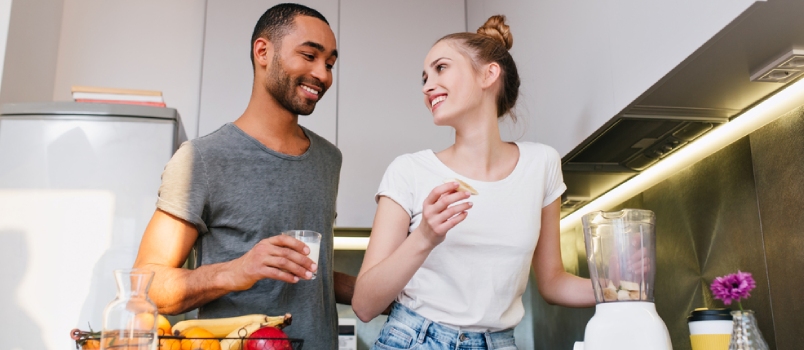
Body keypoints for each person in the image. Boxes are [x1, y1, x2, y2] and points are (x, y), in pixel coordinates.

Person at [351, 15, 597, 349]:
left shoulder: (542, 164)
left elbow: (552, 283)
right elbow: (365, 304)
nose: (426, 86)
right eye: (424, 77)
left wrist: (618, 287)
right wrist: (425, 236)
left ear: (488, 74)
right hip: (414, 339)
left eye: (440, 68)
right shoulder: (408, 171)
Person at [133, 4, 352, 349]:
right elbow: (148, 285)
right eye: (309, 55)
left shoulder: (328, 159)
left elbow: (311, 276)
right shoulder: (201, 159)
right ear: (263, 52)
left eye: (330, 64)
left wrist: (383, 289)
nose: (323, 74)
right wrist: (237, 271)